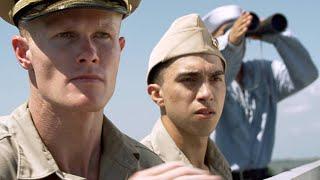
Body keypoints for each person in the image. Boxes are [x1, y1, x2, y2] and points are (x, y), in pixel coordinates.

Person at [0, 0, 222, 179]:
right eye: (66, 35)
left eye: (103, 35)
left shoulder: (149, 165)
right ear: (23, 52)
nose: (90, 53)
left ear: (120, 48)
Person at [202, 4, 319, 180]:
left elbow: (306, 74)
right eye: (227, 32)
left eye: (244, 31)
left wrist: (277, 37)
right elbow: (222, 73)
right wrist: (231, 44)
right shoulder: (208, 84)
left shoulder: (264, 73)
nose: (241, 36)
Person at [141, 13, 232, 180]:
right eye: (189, 80)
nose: (207, 94)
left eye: (216, 78)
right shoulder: (135, 170)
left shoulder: (219, 168)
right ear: (157, 94)